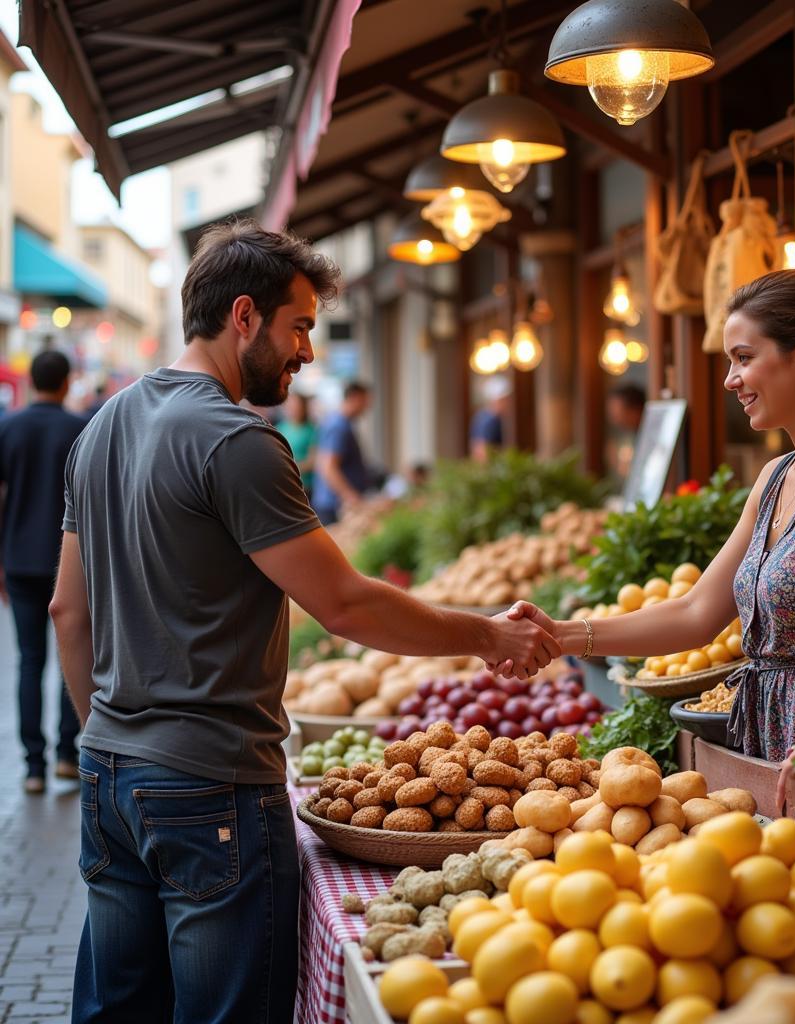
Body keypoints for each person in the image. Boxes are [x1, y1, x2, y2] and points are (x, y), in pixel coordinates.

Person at [50, 220, 559, 1023]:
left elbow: (66, 612)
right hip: (211, 786)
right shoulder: (237, 440)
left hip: (112, 775)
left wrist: (106, 740)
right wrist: (488, 635)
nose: (308, 353)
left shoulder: (99, 431)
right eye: (300, 327)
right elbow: (344, 603)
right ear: (244, 315)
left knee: (116, 1012)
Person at [505, 267, 795, 772]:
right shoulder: (774, 479)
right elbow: (696, 612)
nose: (729, 379)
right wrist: (560, 634)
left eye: (744, 358)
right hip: (779, 743)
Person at [0, 350, 84, 793]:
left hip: (17, 558)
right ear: (67, 382)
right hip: (68, 562)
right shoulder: (79, 428)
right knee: (71, 655)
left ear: (31, 380)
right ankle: (67, 756)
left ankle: (33, 767)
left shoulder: (8, 426)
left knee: (30, 660)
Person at [311, 380, 372, 523]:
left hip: (333, 503)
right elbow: (328, 467)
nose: (367, 406)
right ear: (354, 397)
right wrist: (351, 496)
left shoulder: (337, 422)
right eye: (365, 401)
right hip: (335, 506)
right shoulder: (339, 426)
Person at [277, 391, 317, 495]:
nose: (294, 409)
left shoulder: (312, 430)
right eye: (290, 405)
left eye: (297, 405)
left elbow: (312, 461)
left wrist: (287, 470)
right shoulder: (280, 428)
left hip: (305, 486)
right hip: (284, 485)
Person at [605, 382, 646, 481]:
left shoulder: (652, 437)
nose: (614, 420)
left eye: (617, 414)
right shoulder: (631, 438)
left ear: (636, 410)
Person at [469, 376, 510, 462]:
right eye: (506, 399)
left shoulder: (484, 416)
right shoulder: (489, 420)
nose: (508, 403)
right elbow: (481, 450)